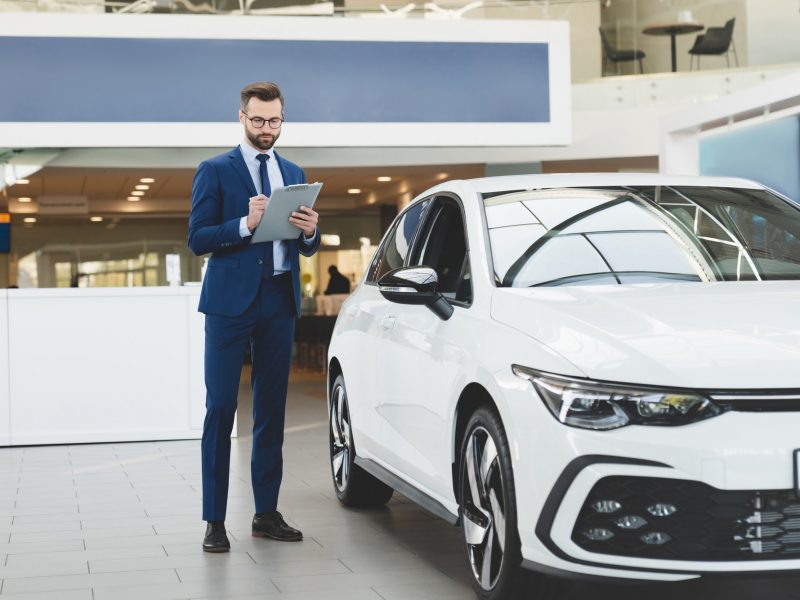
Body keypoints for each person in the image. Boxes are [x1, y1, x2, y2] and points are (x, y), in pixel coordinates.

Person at [188, 81, 320, 553]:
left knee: (271, 412)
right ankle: (215, 519)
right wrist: (245, 224)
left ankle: (266, 513)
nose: (267, 129)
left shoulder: (294, 171)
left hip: (278, 302)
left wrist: (310, 233)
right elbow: (198, 238)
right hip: (228, 305)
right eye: (259, 120)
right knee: (221, 408)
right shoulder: (215, 170)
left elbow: (303, 243)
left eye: (275, 120)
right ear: (242, 117)